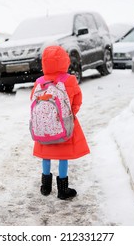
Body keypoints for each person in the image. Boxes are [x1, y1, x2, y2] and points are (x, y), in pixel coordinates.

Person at [30, 46, 90, 200]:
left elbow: (32, 100)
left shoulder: (39, 82)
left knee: (46, 156)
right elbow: (77, 99)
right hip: (63, 127)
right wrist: (69, 114)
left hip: (43, 128)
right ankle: (62, 190)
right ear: (65, 61)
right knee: (63, 156)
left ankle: (45, 186)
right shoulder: (69, 80)